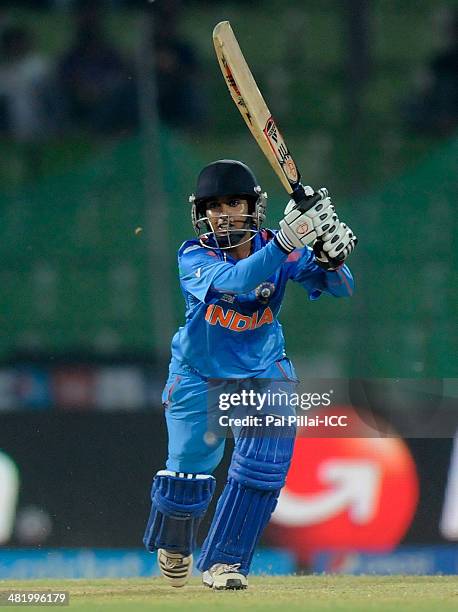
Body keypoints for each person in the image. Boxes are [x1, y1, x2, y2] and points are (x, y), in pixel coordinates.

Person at [143, 160, 357, 590]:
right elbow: (240, 281)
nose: (223, 213)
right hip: (197, 374)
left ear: (252, 206)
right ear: (200, 213)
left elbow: (342, 288)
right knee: (190, 470)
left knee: (264, 465)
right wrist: (287, 240)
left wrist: (332, 260)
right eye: (214, 205)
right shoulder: (194, 255)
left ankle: (224, 563)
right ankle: (174, 539)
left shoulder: (281, 248)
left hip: (262, 369)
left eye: (233, 202)